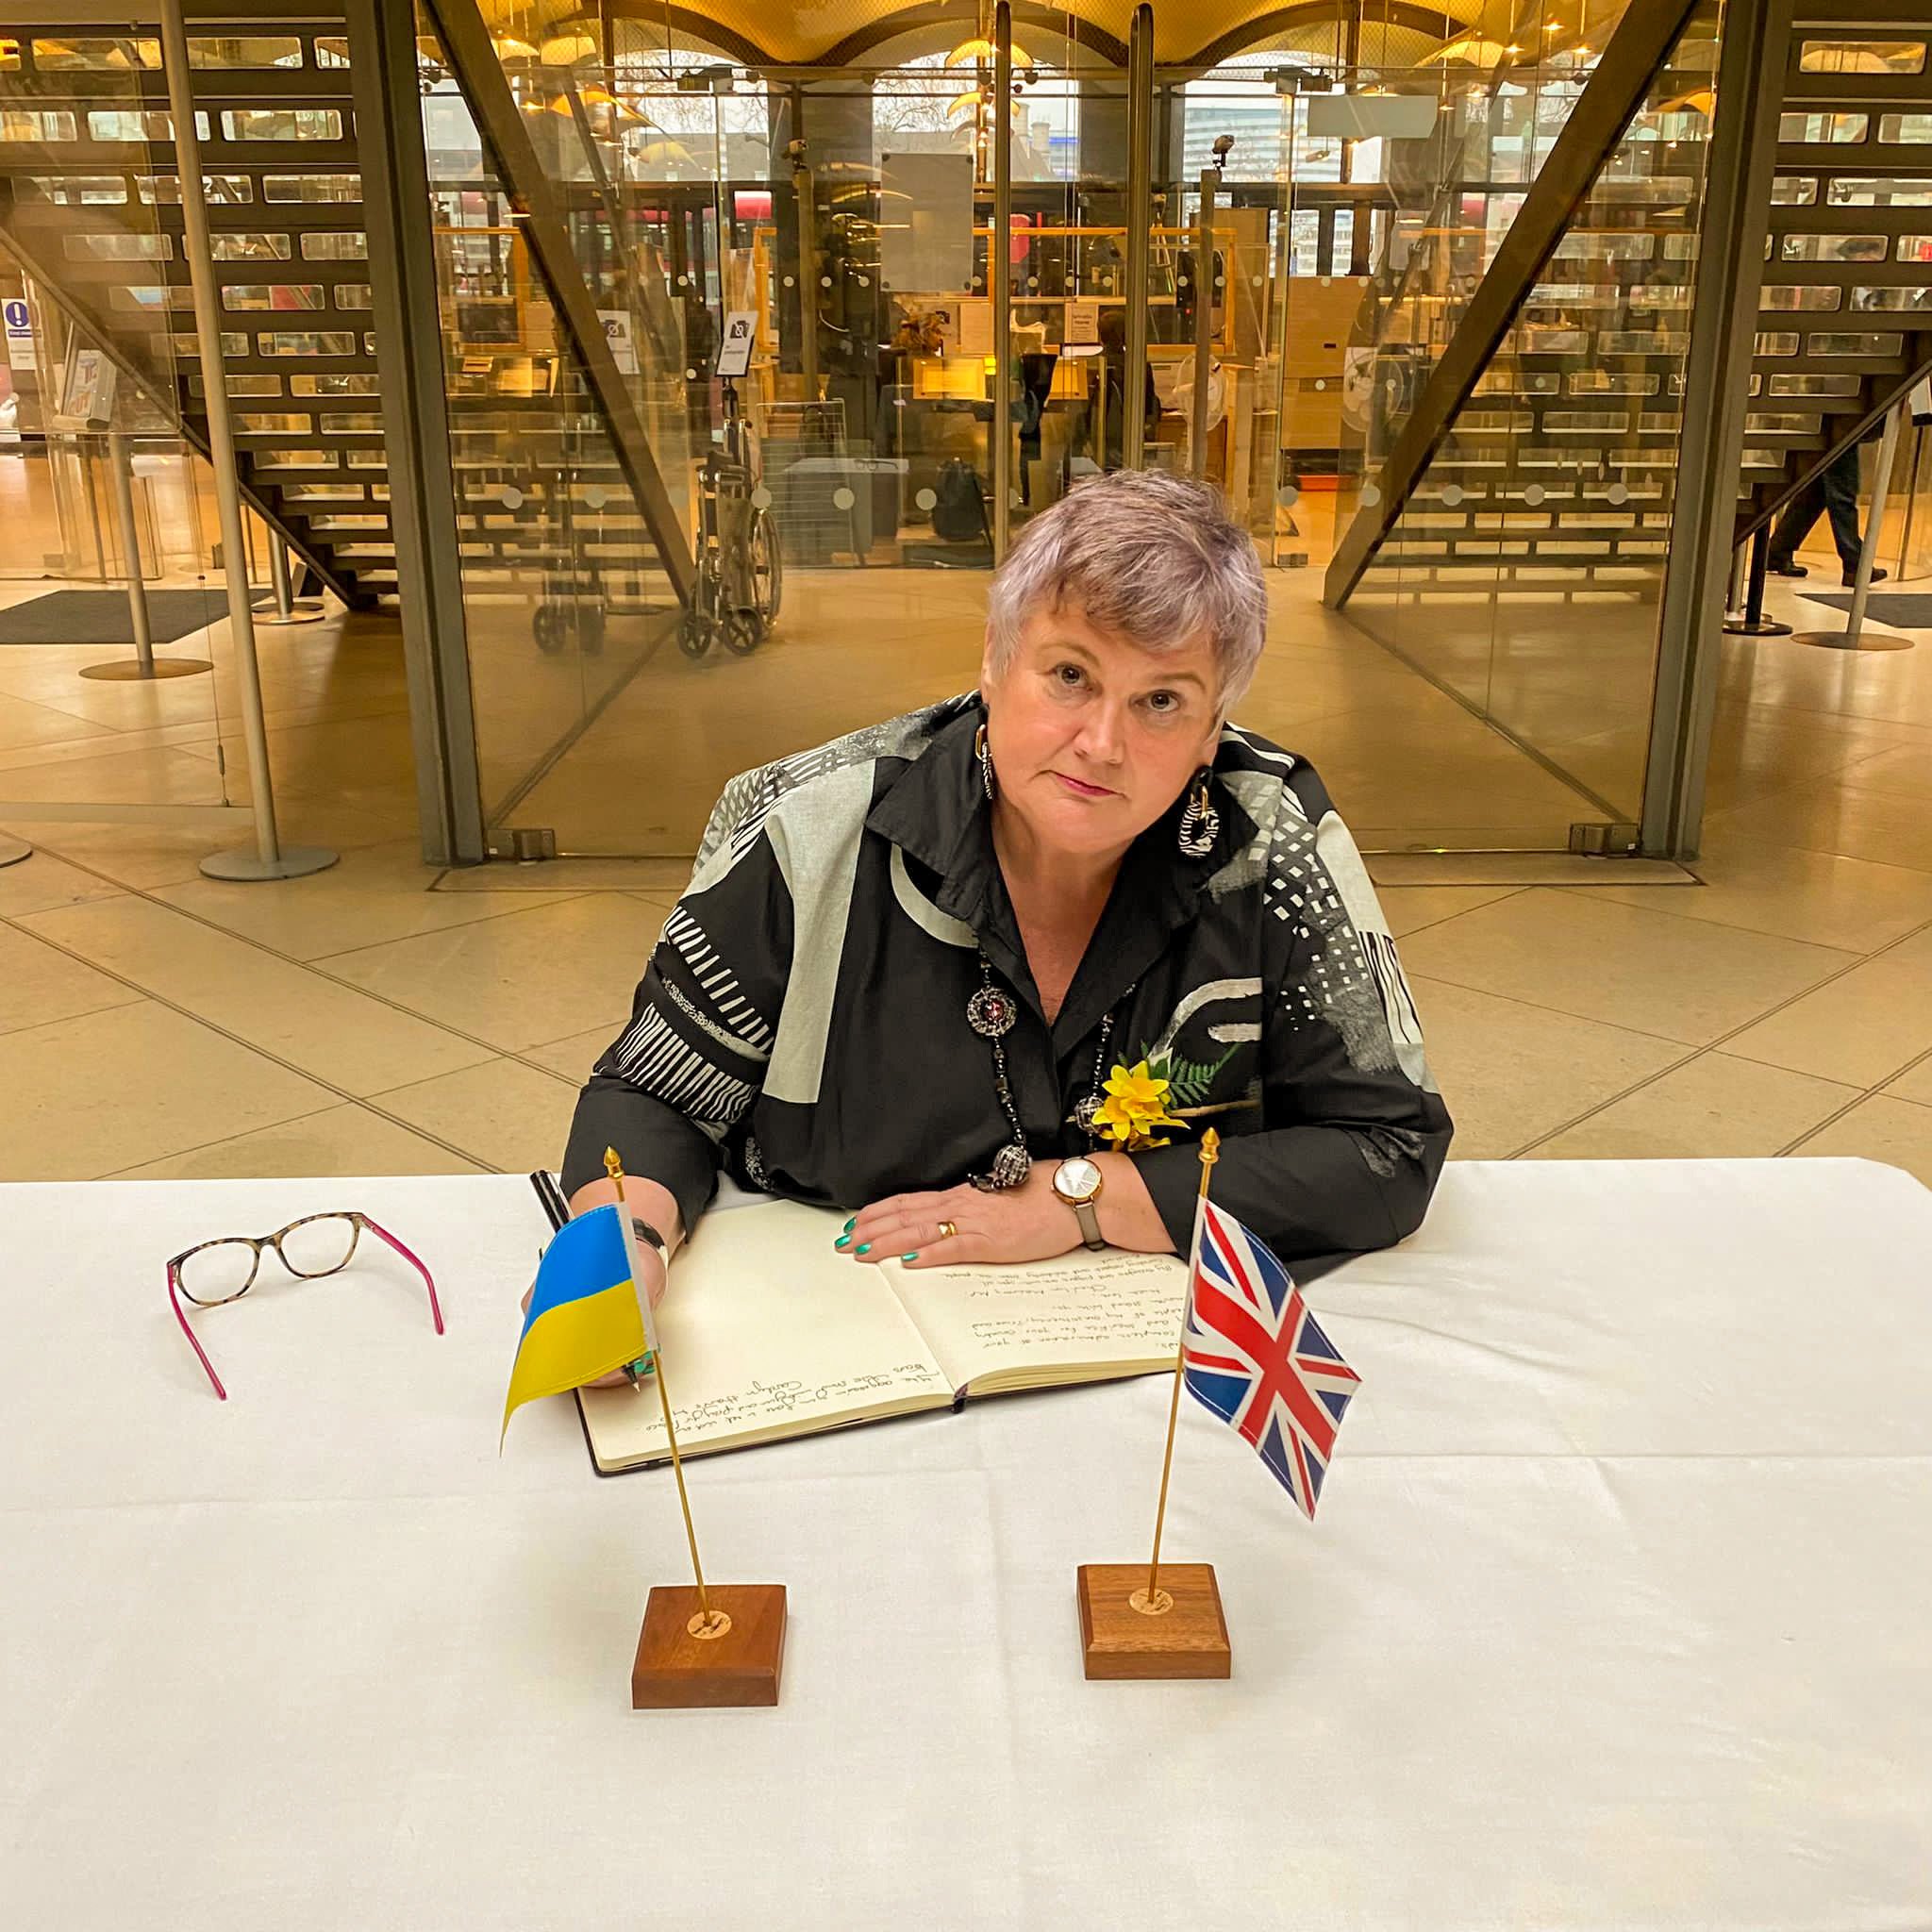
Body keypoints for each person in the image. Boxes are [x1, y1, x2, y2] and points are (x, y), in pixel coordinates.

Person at [559, 470, 1451, 1339]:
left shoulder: (1275, 842)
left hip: (1150, 1363)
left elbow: (1387, 1147)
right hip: (833, 1319)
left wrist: (1080, 1201)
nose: (1102, 744)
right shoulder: (815, 826)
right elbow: (654, 1095)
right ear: (994, 661)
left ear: (1213, 730)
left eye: (1163, 701)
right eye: (1070, 675)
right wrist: (620, 1255)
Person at [1768, 433, 1889, 589]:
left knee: (1815, 493)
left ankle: (1778, 551)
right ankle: (1855, 564)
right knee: (1841, 492)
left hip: (1824, 421)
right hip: (1842, 423)